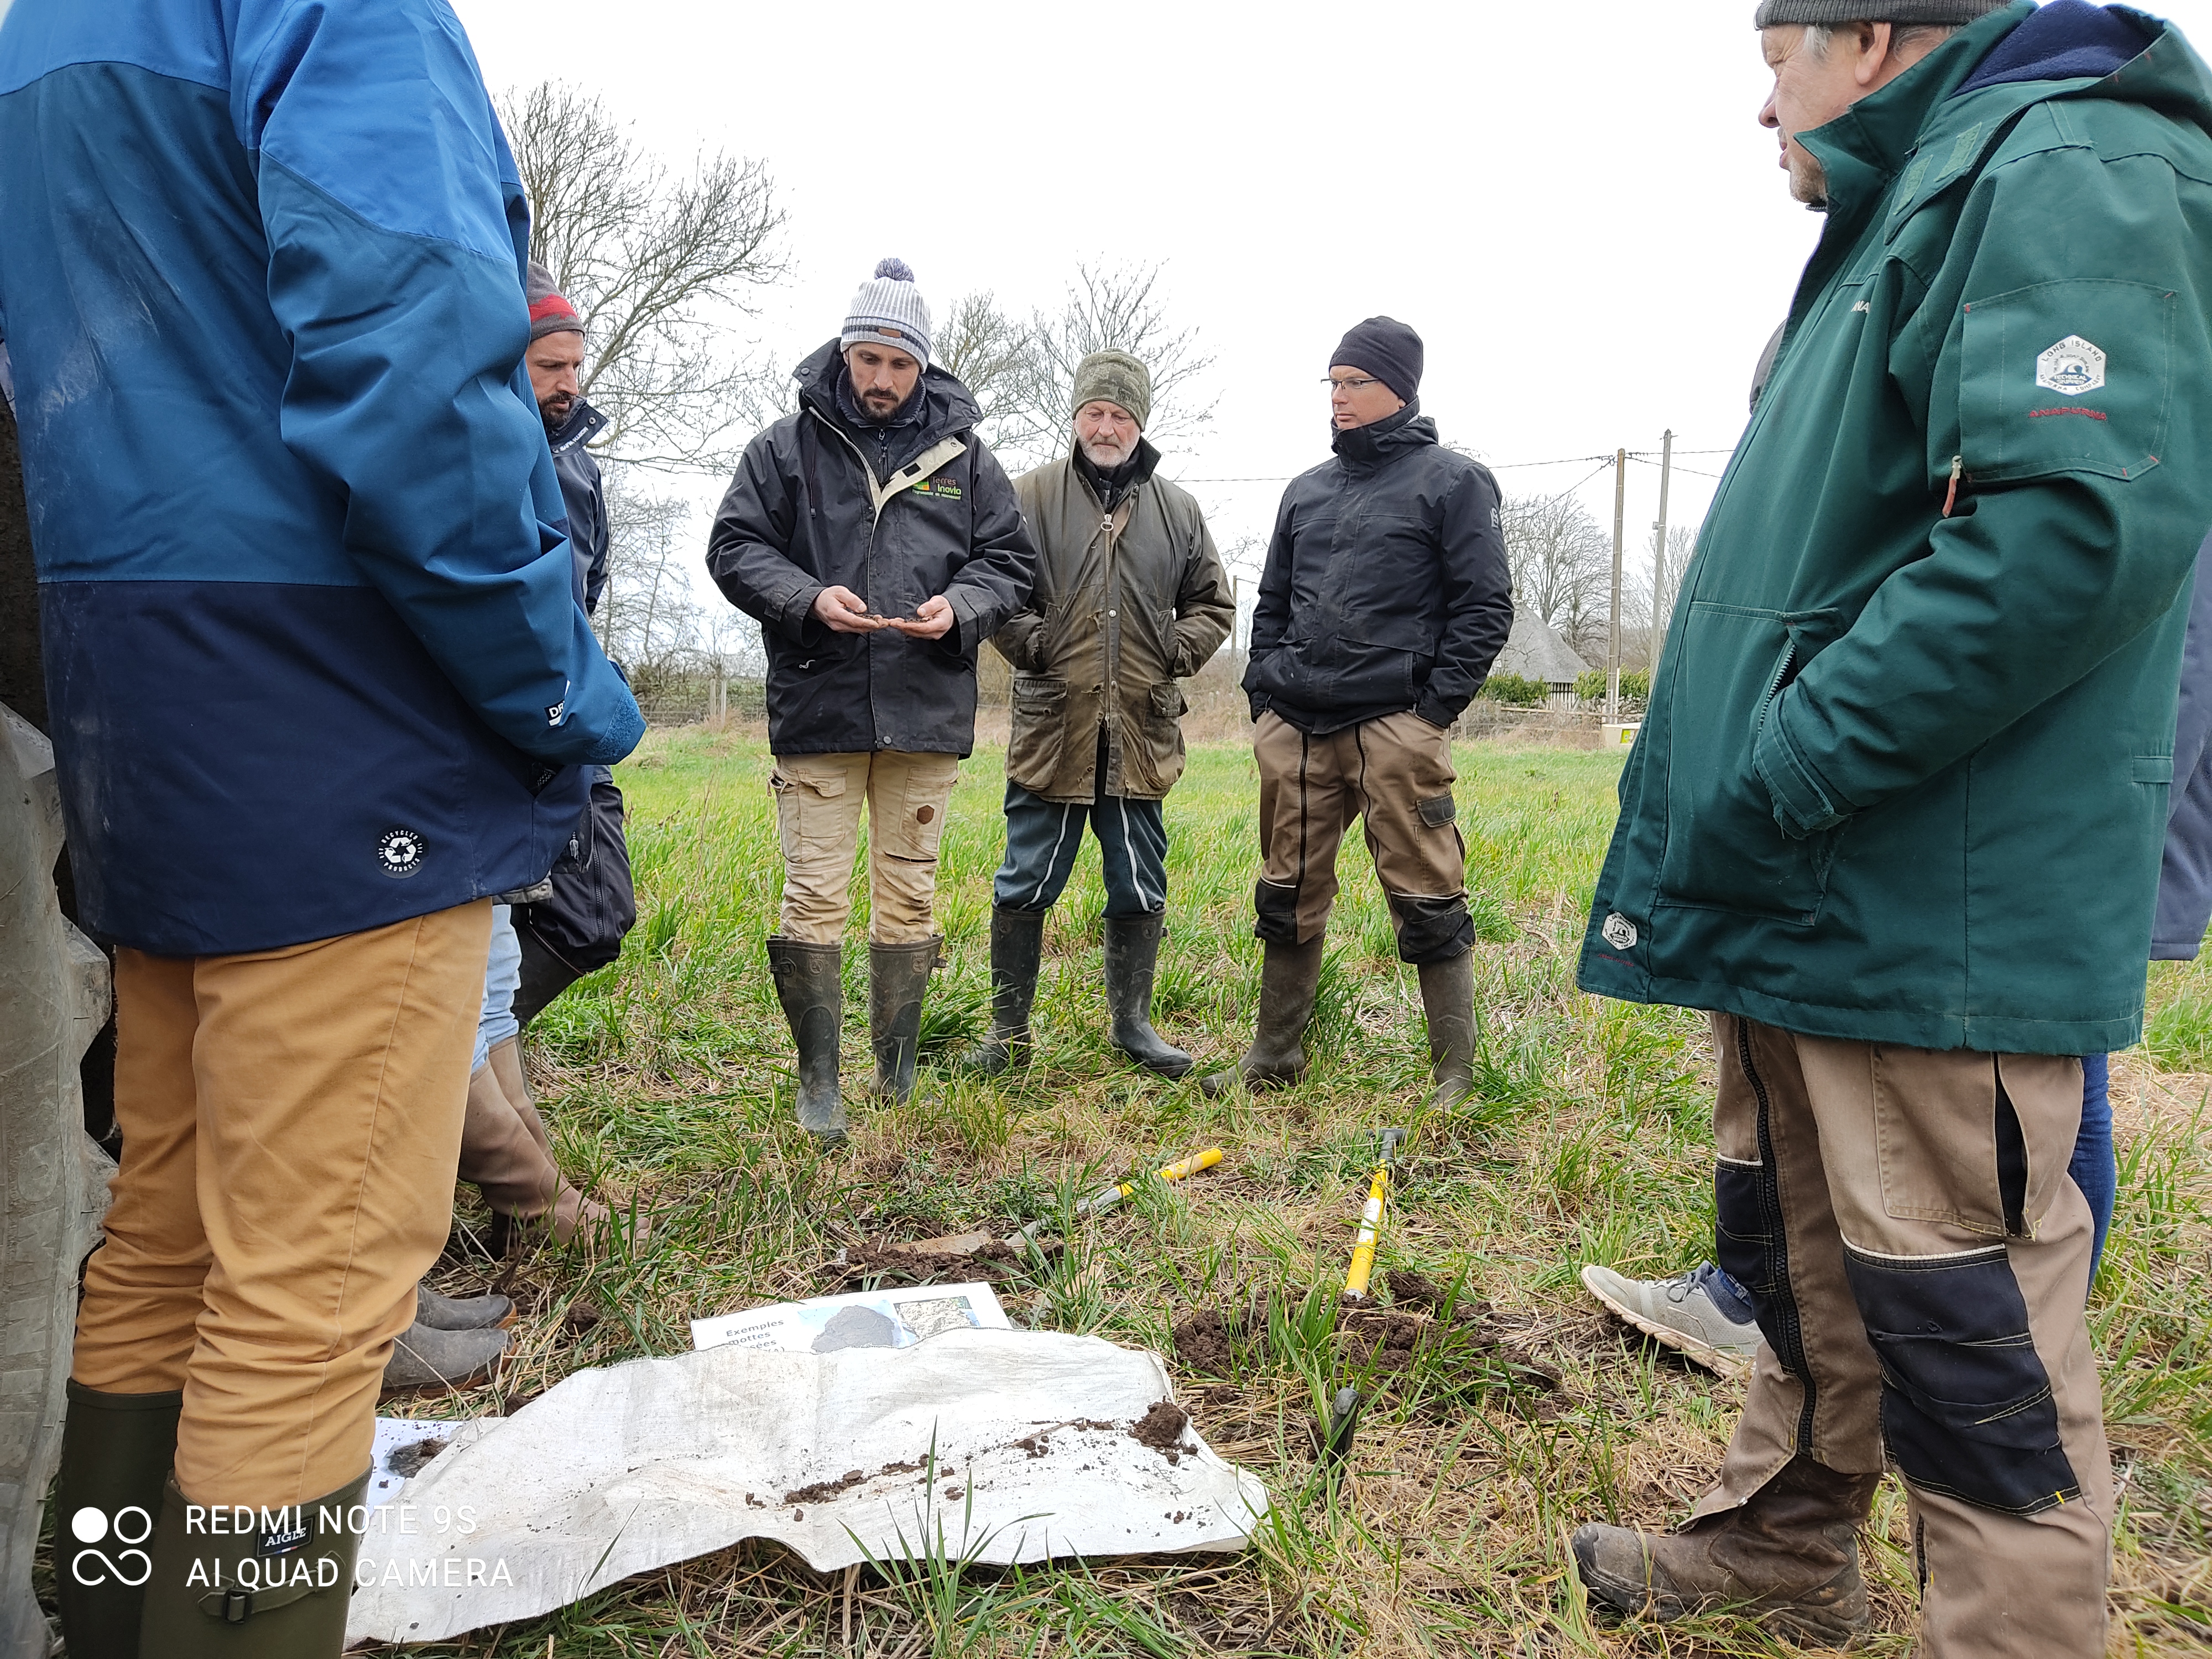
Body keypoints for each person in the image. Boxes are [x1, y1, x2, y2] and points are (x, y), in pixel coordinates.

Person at [0, 1, 644, 1651]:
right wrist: (558, 685)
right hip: (333, 698)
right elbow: (416, 362)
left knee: (164, 1225)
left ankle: (103, 1609)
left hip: (132, 678)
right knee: (314, 1285)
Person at [1568, 5, 2212, 1654]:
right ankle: (1788, 1543)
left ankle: (2012, 1635)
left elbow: (2072, 531)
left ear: (1867, 37)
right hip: (1817, 879)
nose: (1756, 98)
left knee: (1961, 1309)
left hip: (1928, 891)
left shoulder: (2069, 160)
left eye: (1773, 50)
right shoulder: (1910, 202)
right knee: (1800, 1248)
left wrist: (1795, 760)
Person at [707, 260, 1034, 1141]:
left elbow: (1010, 563)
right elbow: (735, 546)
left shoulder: (966, 461)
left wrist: (959, 608)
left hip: (924, 707)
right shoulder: (785, 447)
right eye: (869, 360)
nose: (882, 380)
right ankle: (820, 1083)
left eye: (900, 364)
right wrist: (808, 598)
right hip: (820, 707)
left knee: (910, 896)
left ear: (922, 366)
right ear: (846, 353)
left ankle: (894, 1073)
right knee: (812, 895)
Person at [1201, 318, 1512, 1108]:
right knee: (1287, 886)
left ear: (1399, 388)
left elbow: (1485, 607)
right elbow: (1268, 603)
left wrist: (1430, 713)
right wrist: (1263, 697)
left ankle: (1456, 1075)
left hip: (1394, 727)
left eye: (1355, 383)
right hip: (1296, 728)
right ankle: (1274, 1057)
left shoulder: (1455, 482)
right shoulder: (1305, 490)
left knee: (1428, 889)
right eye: (1332, 384)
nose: (1338, 398)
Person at [967, 351, 1233, 1077]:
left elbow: (1215, 604)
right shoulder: (1027, 497)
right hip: (1054, 729)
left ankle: (1133, 1029)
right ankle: (1007, 1035)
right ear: (1077, 416)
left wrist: (1175, 649)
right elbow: (991, 590)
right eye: (1095, 412)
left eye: (1120, 414)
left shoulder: (1177, 510)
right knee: (1025, 880)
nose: (1106, 426)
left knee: (1139, 881)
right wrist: (1038, 643)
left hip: (1141, 733)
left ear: (1139, 422)